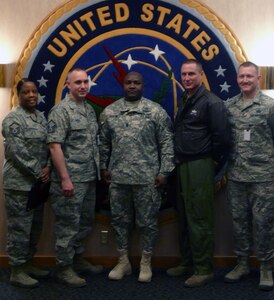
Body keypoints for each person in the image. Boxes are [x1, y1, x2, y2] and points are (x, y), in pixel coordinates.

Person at [99, 71, 174, 283]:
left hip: (147, 179)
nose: (132, 86)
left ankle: (145, 262)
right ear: (123, 85)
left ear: (143, 85)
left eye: (136, 83)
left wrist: (164, 171)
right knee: (119, 221)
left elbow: (167, 144)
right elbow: (103, 143)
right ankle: (123, 261)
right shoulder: (110, 112)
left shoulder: (155, 111)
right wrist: (104, 167)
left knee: (148, 223)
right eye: (128, 82)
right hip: (118, 179)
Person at [224, 61, 274, 290]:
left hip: (262, 177)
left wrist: (268, 160)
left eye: (249, 76)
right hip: (236, 176)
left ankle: (265, 268)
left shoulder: (271, 107)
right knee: (239, 223)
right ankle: (242, 264)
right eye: (241, 76)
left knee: (263, 223)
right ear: (237, 79)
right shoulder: (228, 106)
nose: (245, 80)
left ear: (258, 78)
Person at [166, 59, 230, 287]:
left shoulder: (212, 102)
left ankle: (204, 268)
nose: (187, 78)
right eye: (184, 74)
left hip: (200, 164)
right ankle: (188, 262)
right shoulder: (186, 99)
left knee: (200, 218)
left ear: (201, 75)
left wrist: (210, 162)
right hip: (182, 164)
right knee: (184, 216)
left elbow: (222, 139)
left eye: (192, 74)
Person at [47, 67, 103, 287]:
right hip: (70, 179)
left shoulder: (88, 109)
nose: (82, 86)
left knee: (85, 222)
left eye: (85, 82)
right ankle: (64, 267)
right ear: (67, 85)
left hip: (88, 177)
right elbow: (54, 146)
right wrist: (64, 179)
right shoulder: (61, 111)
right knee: (68, 225)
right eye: (77, 82)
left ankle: (77, 260)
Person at [2, 79, 51, 288]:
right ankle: (17, 269)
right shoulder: (13, 119)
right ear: (19, 94)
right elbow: (16, 151)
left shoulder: (41, 117)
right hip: (18, 184)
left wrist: (48, 167)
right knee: (19, 229)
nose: (31, 95)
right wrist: (38, 171)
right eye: (26, 92)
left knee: (35, 227)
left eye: (34, 92)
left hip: (37, 183)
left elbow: (50, 145)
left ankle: (29, 263)